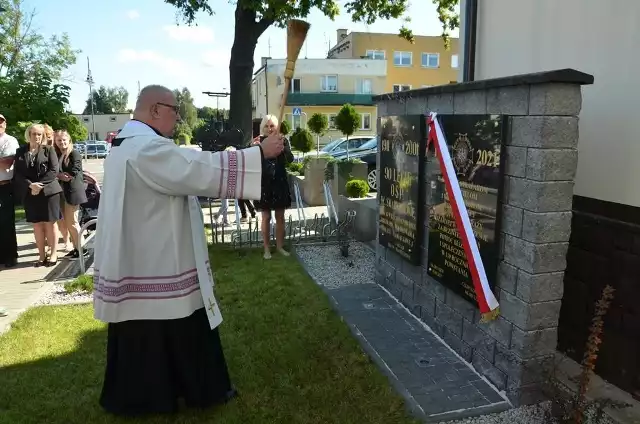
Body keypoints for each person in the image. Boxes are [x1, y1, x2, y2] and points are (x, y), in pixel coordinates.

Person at [93, 84, 284, 417]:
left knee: (144, 334)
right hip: (160, 260)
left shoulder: (125, 144)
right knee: (181, 322)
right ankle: (195, 389)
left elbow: (190, 165)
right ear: (154, 109)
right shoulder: (145, 148)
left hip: (140, 259)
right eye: (174, 109)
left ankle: (148, 394)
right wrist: (257, 154)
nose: (178, 116)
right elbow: (197, 169)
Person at [13, 123, 63, 267]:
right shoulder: (20, 151)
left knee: (50, 224)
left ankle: (53, 254)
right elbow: (18, 173)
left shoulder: (49, 149)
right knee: (37, 225)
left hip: (49, 192)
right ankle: (41, 256)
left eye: (39, 134)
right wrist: (31, 185)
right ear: (28, 135)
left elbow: (54, 170)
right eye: (34, 134)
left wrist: (39, 186)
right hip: (30, 193)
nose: (37, 137)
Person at [252, 115, 294, 259]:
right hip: (264, 183)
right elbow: (252, 161)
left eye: (272, 126)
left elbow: (290, 159)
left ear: (277, 127)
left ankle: (280, 247)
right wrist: (254, 148)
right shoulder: (259, 142)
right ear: (263, 128)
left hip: (280, 181)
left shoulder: (282, 140)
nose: (270, 129)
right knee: (266, 217)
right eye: (267, 126)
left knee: (280, 216)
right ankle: (266, 249)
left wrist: (284, 149)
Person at [53, 130, 88, 259]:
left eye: (64, 140)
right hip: (63, 193)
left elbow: (74, 170)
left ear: (69, 141)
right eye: (59, 140)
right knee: (68, 223)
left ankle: (82, 249)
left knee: (73, 222)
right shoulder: (59, 155)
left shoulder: (74, 153)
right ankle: (75, 248)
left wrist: (63, 176)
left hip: (73, 193)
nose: (62, 142)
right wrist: (59, 175)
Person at [0, 114, 19, 268]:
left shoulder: (10, 140)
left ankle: (10, 256)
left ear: (5, 124)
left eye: (1, 122)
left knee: (6, 222)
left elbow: (7, 162)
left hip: (5, 186)